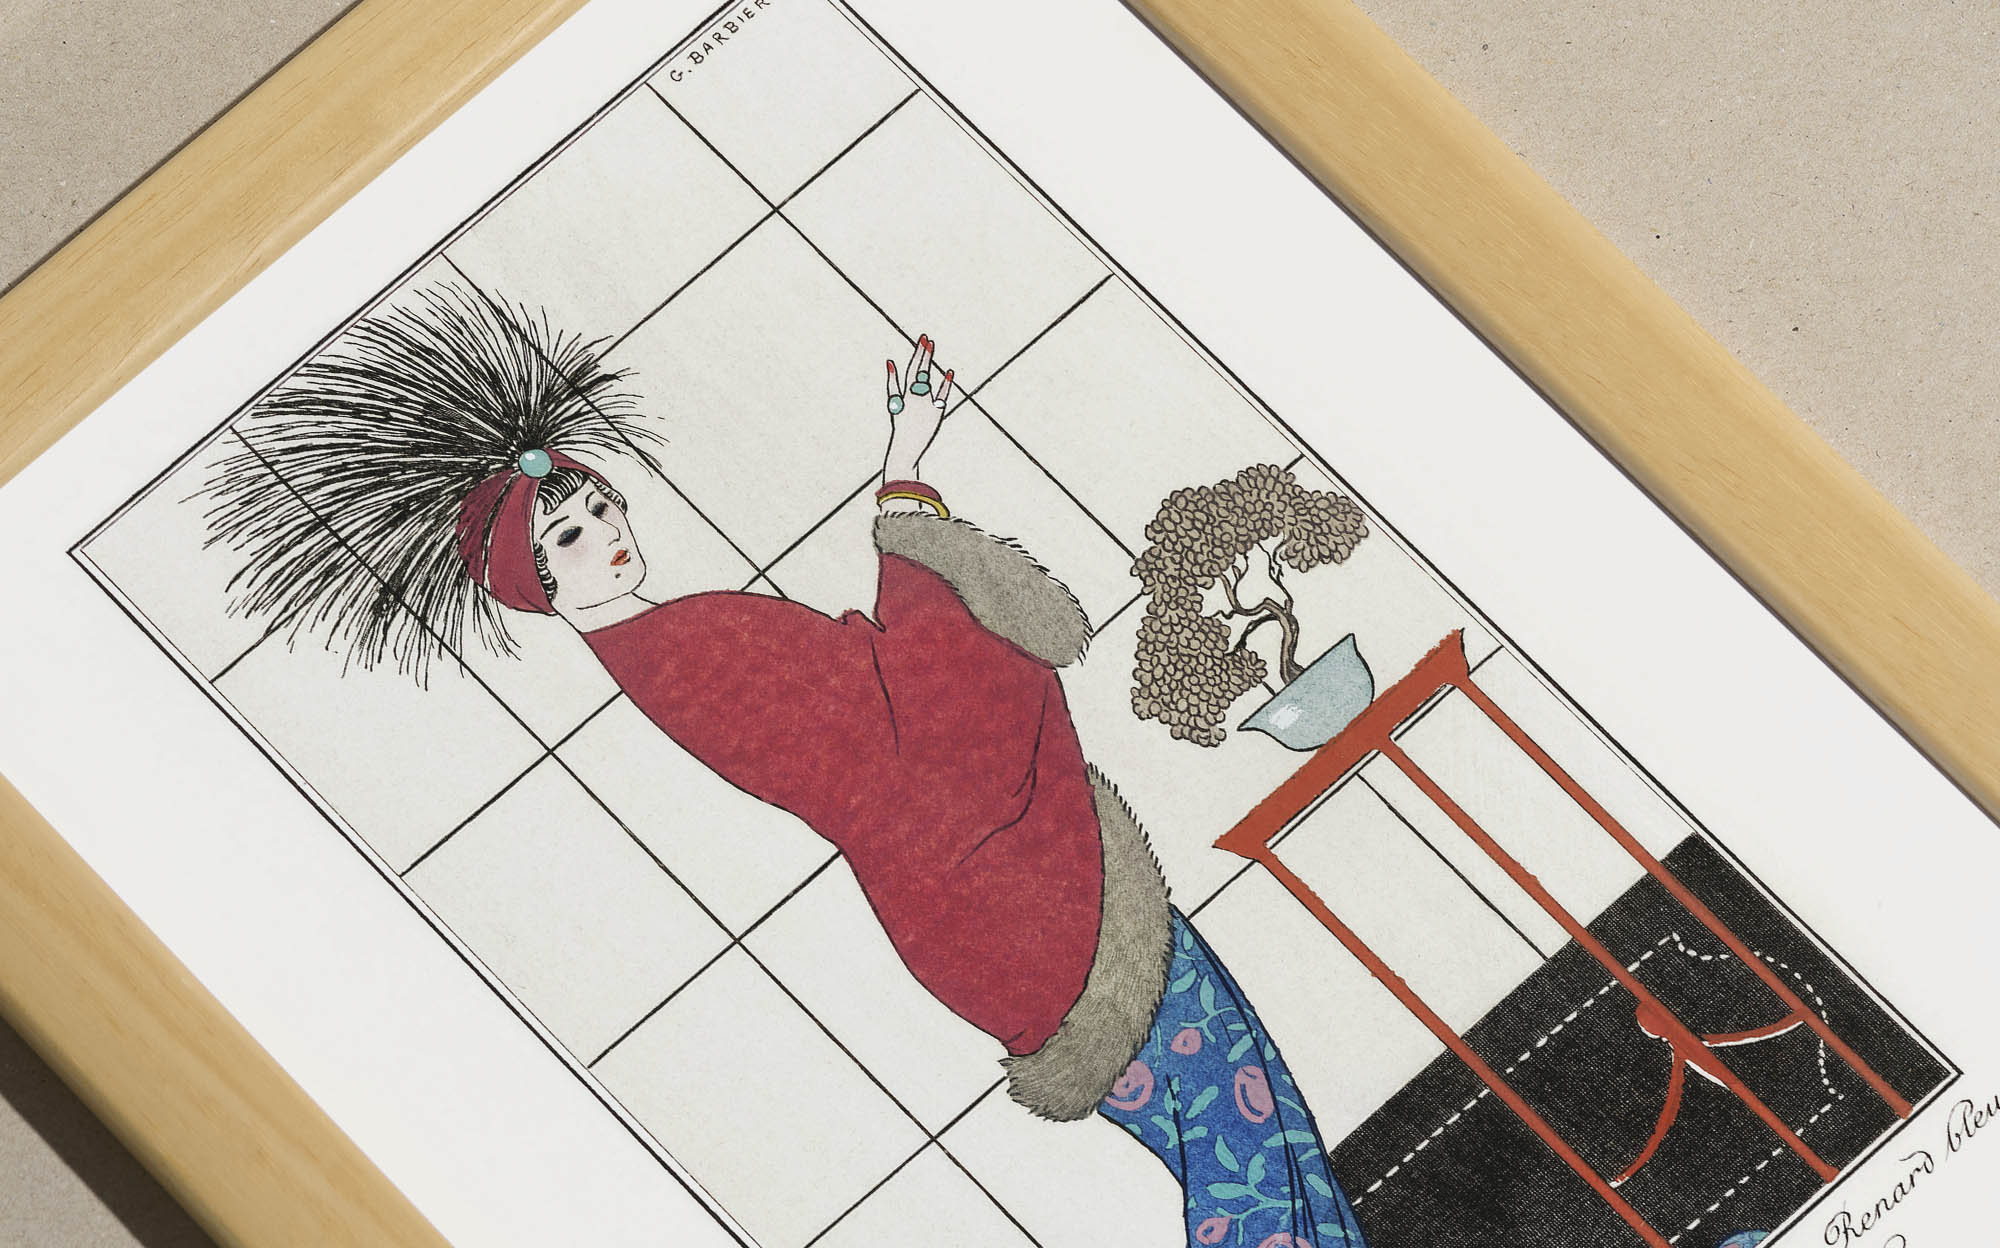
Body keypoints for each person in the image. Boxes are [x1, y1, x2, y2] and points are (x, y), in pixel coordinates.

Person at [206, 283, 1365, 1248]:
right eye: (569, 534)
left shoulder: (670, 643)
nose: (606, 532)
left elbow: (879, 708)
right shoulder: (686, 652)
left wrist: (907, 481)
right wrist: (908, 502)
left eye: (599, 504)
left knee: (1239, 1126)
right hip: (1025, 902)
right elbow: (900, 733)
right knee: (1238, 1137)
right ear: (540, 586)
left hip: (1003, 909)